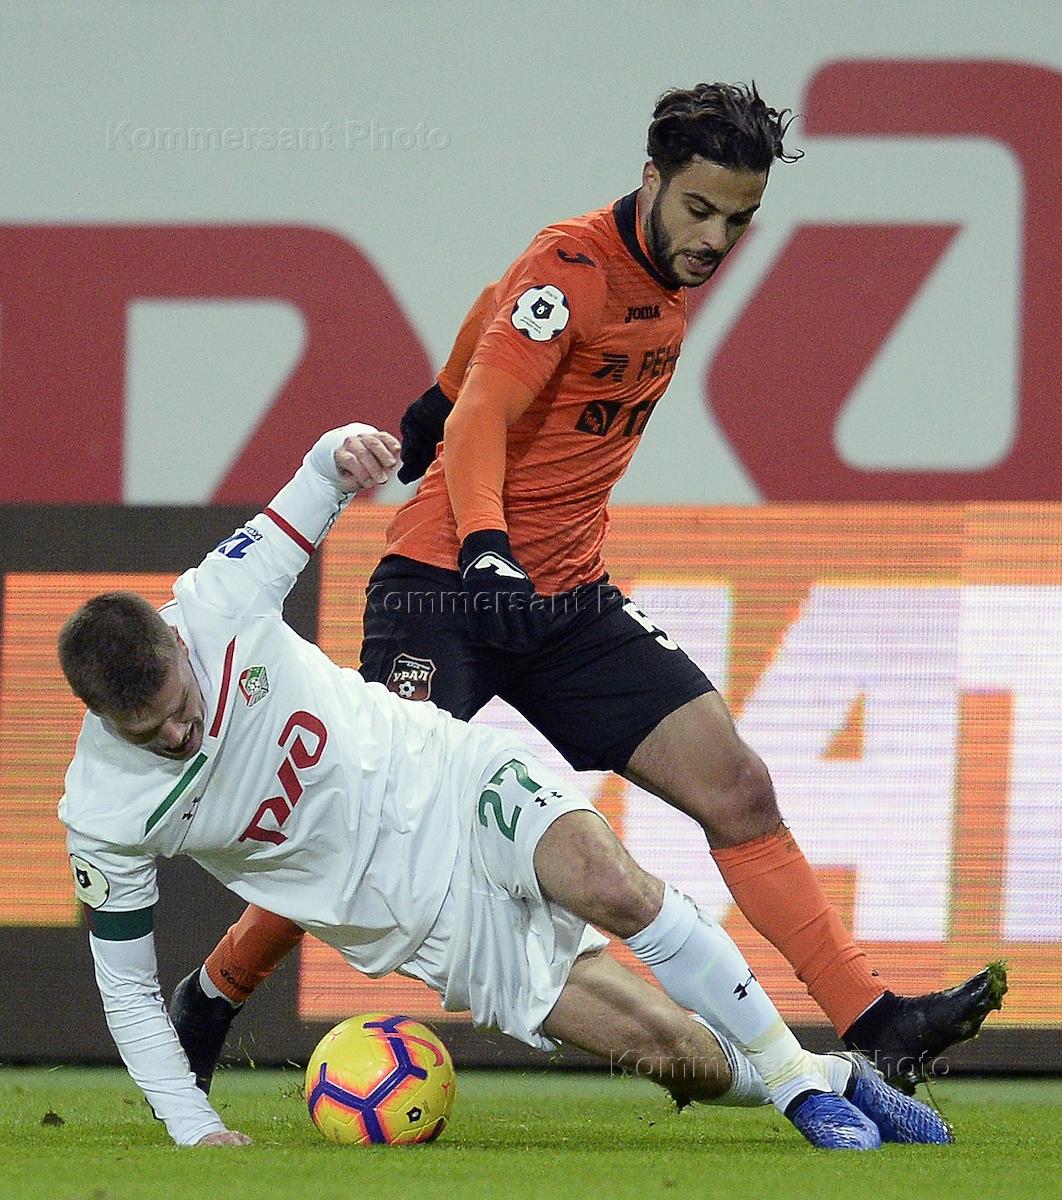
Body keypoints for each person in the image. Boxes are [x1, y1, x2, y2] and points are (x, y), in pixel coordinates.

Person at [173, 80, 1005, 1093]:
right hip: (448, 587)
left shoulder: (638, 276)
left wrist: (434, 394)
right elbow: (487, 416)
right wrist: (484, 534)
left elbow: (490, 313)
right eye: (698, 209)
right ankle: (212, 993)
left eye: (738, 219)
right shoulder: (572, 266)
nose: (715, 239)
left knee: (739, 788)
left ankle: (875, 1022)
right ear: (651, 178)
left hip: (568, 600)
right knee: (369, 823)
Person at [57, 424, 951, 1151]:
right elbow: (126, 990)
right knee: (675, 1052)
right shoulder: (103, 814)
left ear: (179, 645)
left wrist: (346, 450)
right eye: (148, 733)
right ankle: (832, 1077)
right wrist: (193, 1125)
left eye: (181, 709)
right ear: (100, 718)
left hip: (446, 777)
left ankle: (795, 1087)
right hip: (422, 922)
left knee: (612, 885)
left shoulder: (217, 602)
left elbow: (316, 479)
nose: (178, 737)